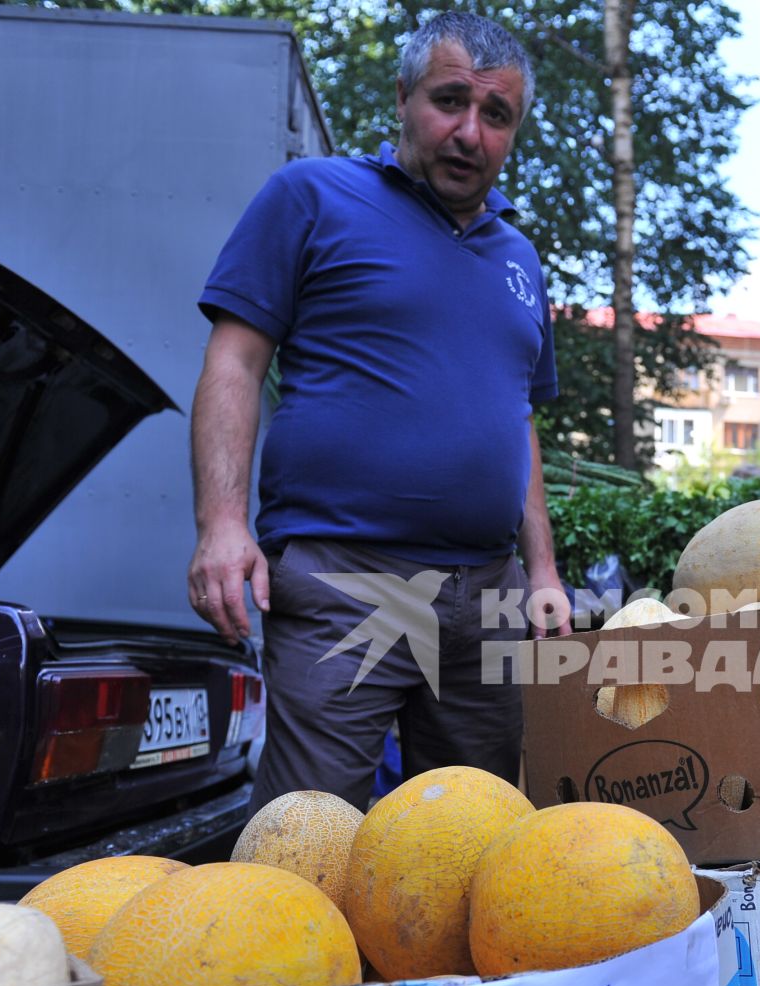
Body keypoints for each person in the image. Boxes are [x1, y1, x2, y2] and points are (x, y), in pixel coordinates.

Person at [185, 12, 571, 816]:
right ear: (402, 97)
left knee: (479, 838)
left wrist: (542, 573)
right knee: (308, 841)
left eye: (495, 115)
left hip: (489, 595)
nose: (469, 132)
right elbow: (236, 360)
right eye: (449, 101)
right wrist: (223, 525)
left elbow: (518, 421)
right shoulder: (314, 196)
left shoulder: (519, 257)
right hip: (345, 580)